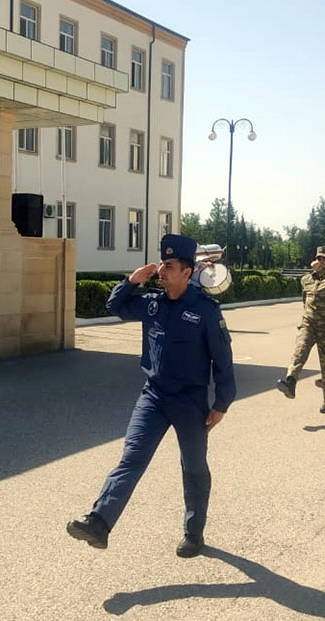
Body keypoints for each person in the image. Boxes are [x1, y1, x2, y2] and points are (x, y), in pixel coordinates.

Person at [66, 234, 236, 559]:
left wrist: (221, 404)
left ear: (187, 272)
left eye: (169, 266)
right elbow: (116, 307)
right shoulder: (153, 303)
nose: (161, 270)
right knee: (132, 457)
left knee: (193, 467)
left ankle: (194, 533)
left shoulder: (204, 311)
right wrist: (131, 282)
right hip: (154, 396)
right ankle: (99, 523)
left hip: (190, 402)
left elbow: (223, 361)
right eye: (162, 264)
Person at [276, 246, 325, 412]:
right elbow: (305, 301)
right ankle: (291, 381)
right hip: (309, 324)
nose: (320, 261)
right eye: (318, 258)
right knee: (300, 351)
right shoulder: (306, 279)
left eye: (324, 258)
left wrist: (321, 269)